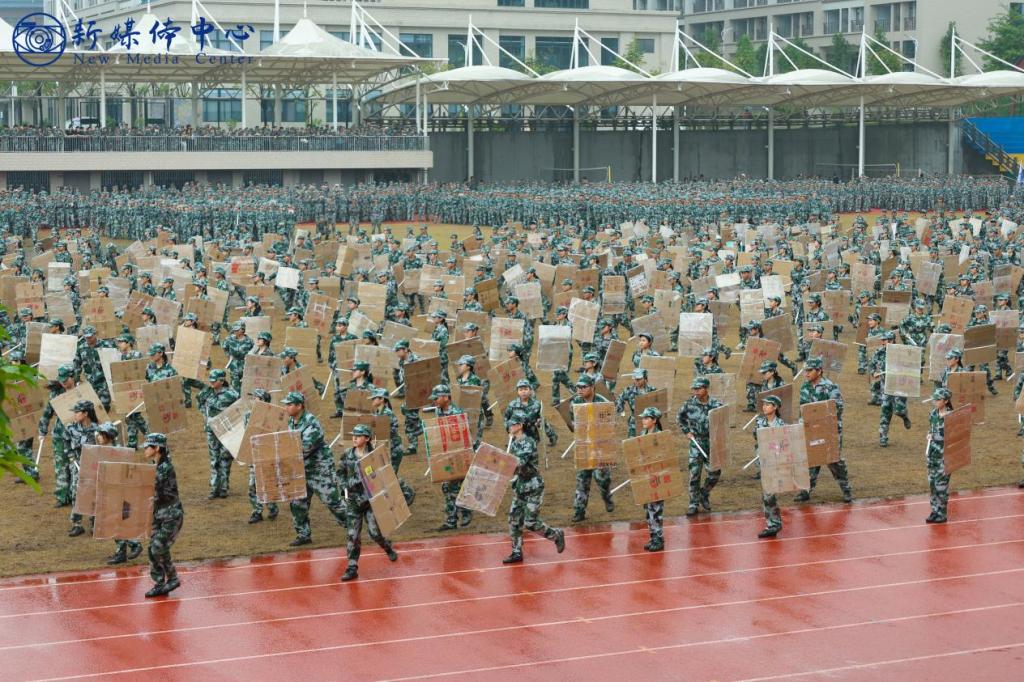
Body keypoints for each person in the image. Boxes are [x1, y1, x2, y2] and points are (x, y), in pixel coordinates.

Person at [282, 391, 349, 546]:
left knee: (333, 502)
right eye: (286, 404)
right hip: (301, 470)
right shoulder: (292, 422)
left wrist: (283, 458)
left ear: (299, 406)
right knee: (297, 504)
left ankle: (353, 526)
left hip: (319, 470)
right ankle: (303, 534)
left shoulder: (311, 424)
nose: (286, 407)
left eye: (289, 404)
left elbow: (305, 449)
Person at [336, 424, 399, 581]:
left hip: (371, 501)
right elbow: (340, 473)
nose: (354, 438)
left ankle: (387, 547)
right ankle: (352, 567)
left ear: (367, 438)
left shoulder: (374, 456)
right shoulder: (347, 455)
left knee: (374, 532)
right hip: (353, 501)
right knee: (352, 535)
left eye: (358, 435)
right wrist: (344, 488)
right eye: (354, 435)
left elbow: (386, 474)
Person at [503, 410, 566, 564]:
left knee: (530, 522)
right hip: (520, 487)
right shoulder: (513, 442)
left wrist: (502, 464)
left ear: (520, 425)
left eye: (512, 424)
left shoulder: (528, 442)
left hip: (533, 487)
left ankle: (555, 535)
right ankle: (516, 551)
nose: (509, 427)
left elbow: (520, 463)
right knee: (514, 519)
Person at [796, 357, 853, 503]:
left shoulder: (831, 387)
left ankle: (846, 489)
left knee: (834, 460)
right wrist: (802, 424)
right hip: (811, 429)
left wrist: (818, 417)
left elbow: (837, 409)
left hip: (829, 430)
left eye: (810, 371)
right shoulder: (805, 387)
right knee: (811, 458)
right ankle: (806, 490)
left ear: (819, 371)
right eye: (806, 371)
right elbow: (802, 409)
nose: (806, 373)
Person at [94, 422, 145, 565]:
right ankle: (128, 547)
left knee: (116, 521)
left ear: (107, 436)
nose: (98, 437)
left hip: (119, 493)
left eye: (100, 434)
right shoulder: (104, 452)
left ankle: (128, 547)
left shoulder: (117, 453)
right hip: (110, 491)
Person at [142, 433, 184, 598]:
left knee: (158, 546)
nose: (145, 450)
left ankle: (172, 578)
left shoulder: (165, 468)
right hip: (158, 514)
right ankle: (160, 583)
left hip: (171, 515)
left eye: (148, 447)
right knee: (154, 549)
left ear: (157, 448)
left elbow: (150, 487)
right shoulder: (155, 465)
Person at [569, 375, 614, 522]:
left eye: (583, 387)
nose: (580, 390)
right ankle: (579, 510)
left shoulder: (603, 403)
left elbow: (609, 425)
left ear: (592, 387)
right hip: (584, 446)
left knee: (602, 479)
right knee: (582, 479)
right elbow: (572, 422)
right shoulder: (575, 402)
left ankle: (607, 497)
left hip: (600, 446)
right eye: (578, 387)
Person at [677, 376, 724, 515]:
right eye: (694, 389)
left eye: (699, 389)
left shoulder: (716, 405)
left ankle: (704, 493)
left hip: (712, 443)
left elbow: (723, 423)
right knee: (694, 475)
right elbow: (680, 418)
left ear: (706, 388)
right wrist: (687, 431)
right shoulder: (689, 404)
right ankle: (693, 504)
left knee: (715, 473)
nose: (696, 391)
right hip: (696, 443)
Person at [429, 384, 473, 531]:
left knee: (459, 485)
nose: (434, 401)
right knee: (447, 487)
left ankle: (465, 512)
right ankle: (451, 520)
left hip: (459, 454)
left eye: (436, 398)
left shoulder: (457, 413)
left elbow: (464, 435)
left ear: (446, 397)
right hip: (446, 454)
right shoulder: (438, 411)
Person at [197, 369, 239, 499]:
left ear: (221, 380)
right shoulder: (207, 392)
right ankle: (214, 488)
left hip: (226, 431)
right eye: (210, 380)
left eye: (214, 380)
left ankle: (224, 487)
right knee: (214, 459)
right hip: (211, 430)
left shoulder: (232, 394)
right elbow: (200, 402)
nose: (211, 382)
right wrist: (206, 416)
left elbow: (239, 410)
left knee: (225, 459)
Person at [754, 396, 787, 538]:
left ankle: (773, 524)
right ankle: (774, 523)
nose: (764, 407)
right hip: (764, 461)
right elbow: (756, 438)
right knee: (767, 494)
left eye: (768, 405)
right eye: (764, 404)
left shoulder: (781, 425)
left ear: (775, 407)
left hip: (776, 462)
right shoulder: (759, 422)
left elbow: (785, 443)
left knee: (768, 494)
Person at [245, 389, 279, 524]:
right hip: (254, 455)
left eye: (256, 397)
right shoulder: (248, 415)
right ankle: (257, 511)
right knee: (252, 485)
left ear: (263, 401)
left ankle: (272, 507)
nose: (253, 400)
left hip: (268, 455)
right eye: (252, 397)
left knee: (268, 483)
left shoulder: (273, 415)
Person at [65, 399, 99, 537]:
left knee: (93, 493)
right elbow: (67, 444)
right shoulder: (71, 428)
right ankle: (77, 524)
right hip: (77, 465)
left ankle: (94, 523)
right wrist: (71, 457)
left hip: (92, 466)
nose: (74, 414)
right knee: (76, 493)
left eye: (77, 412)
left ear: (86, 413)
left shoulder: (97, 429)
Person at [637, 406, 667, 552]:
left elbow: (662, 457)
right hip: (646, 477)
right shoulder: (643, 433)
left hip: (656, 478)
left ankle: (658, 539)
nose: (643, 420)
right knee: (648, 510)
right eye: (643, 418)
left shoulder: (659, 437)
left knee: (655, 510)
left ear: (654, 420)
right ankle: (653, 537)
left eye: (646, 418)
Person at [926, 388, 954, 524]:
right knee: (932, 485)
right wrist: (929, 434)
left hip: (945, 457)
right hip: (932, 455)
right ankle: (934, 511)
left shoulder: (952, 417)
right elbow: (932, 428)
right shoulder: (933, 414)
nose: (935, 401)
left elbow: (957, 437)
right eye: (935, 399)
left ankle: (941, 514)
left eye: (938, 399)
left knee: (941, 487)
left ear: (946, 401)